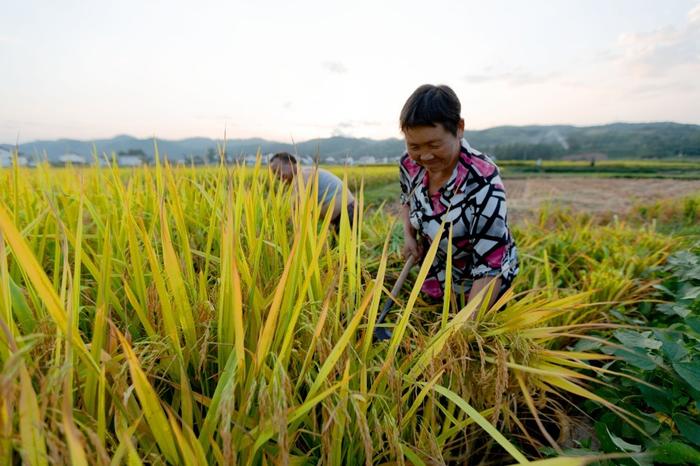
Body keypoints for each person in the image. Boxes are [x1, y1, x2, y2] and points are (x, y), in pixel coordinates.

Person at [398, 84, 518, 310]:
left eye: (434, 144)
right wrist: (409, 235)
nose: (424, 155)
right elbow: (407, 200)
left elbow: (489, 267)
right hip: (438, 269)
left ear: (459, 128)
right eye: (414, 145)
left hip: (480, 283)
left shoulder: (483, 182)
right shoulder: (409, 164)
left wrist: (460, 334)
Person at [269, 152, 355, 231]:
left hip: (346, 214)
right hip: (341, 217)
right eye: (274, 173)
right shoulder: (300, 176)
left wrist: (283, 228)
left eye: (278, 170)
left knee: (343, 247)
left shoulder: (303, 175)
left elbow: (295, 207)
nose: (278, 176)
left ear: (289, 163)